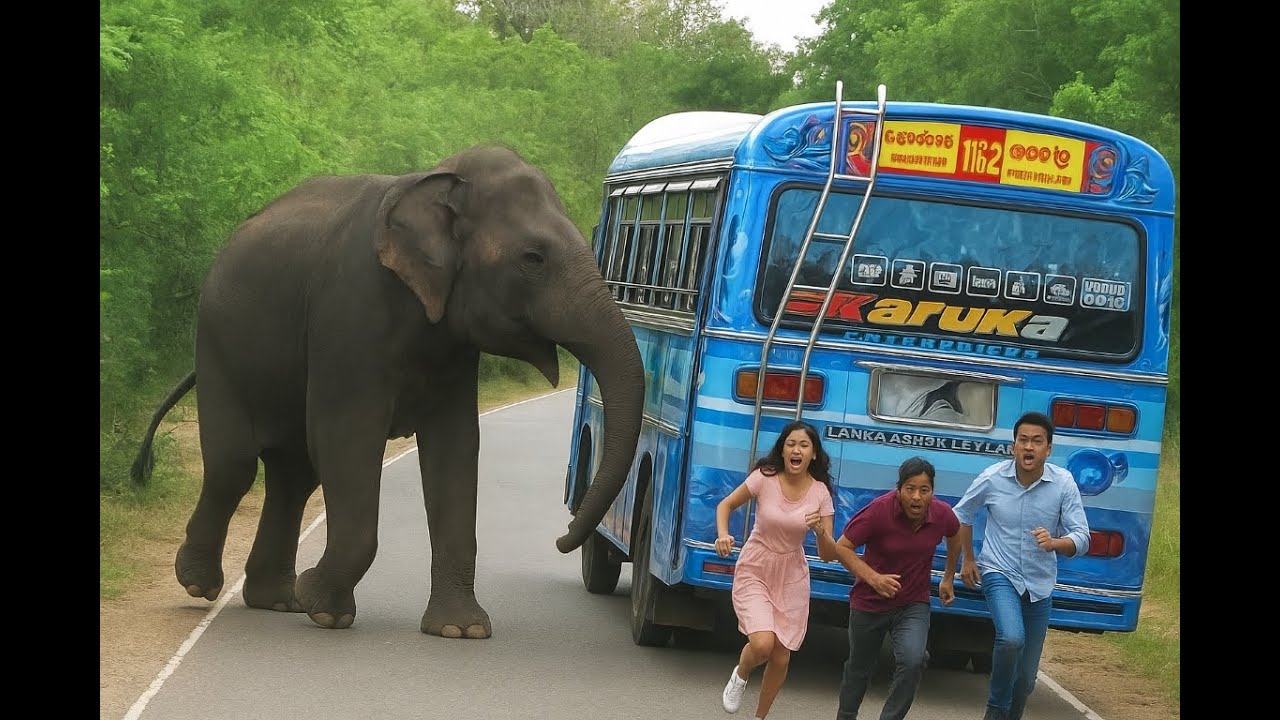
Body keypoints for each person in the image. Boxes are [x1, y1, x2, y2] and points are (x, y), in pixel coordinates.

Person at [942, 411, 1091, 720]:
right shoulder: (992, 477)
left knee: (1025, 681)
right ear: (1013, 446)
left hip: (1040, 584)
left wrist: (1055, 543)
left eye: (1037, 442)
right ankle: (994, 710)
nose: (1029, 447)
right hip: (999, 572)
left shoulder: (1063, 483)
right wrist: (968, 559)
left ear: (1048, 449)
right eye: (1023, 440)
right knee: (1011, 638)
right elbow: (960, 516)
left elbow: (1082, 537)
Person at [811, 456, 960, 720]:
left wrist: (948, 576)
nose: (916, 497)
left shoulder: (941, 514)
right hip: (869, 603)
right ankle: (846, 715)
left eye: (924, 490)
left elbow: (955, 532)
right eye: (910, 489)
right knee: (860, 669)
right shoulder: (878, 512)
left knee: (914, 661)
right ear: (899, 489)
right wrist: (873, 578)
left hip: (912, 603)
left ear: (932, 492)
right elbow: (842, 547)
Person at [715, 420, 836, 718]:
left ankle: (760, 717)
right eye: (791, 444)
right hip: (757, 565)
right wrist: (722, 534)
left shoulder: (820, 493)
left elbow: (828, 554)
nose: (796, 450)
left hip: (792, 573)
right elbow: (725, 505)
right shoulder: (764, 478)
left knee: (781, 656)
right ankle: (741, 674)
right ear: (782, 450)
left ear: (814, 455)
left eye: (804, 446)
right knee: (762, 644)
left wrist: (820, 531)